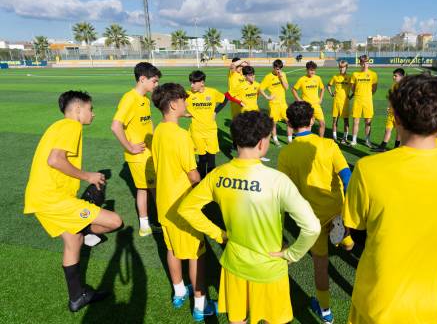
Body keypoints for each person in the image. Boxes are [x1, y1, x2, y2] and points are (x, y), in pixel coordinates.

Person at [343, 74, 437, 323]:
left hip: (376, 302)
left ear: (395, 116)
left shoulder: (368, 168)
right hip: (428, 306)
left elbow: (358, 234)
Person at [178, 110, 321, 324]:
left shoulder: (218, 174)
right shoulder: (277, 180)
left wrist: (219, 234)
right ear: (263, 143)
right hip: (270, 268)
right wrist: (292, 255)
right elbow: (312, 227)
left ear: (235, 140)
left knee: (238, 319)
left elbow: (186, 208)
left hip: (234, 265)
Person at [24, 91, 123, 312]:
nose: (93, 114)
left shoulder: (56, 126)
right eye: (91, 109)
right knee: (115, 221)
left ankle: (77, 297)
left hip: (42, 198)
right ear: (78, 110)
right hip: (52, 199)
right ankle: (88, 230)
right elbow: (55, 160)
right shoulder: (71, 126)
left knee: (73, 242)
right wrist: (89, 176)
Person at [278, 101, 354, 324]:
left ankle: (326, 312)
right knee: (347, 243)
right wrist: (351, 209)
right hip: (337, 210)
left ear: (289, 124)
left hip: (310, 218)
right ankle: (344, 239)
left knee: (320, 265)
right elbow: (347, 177)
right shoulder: (329, 145)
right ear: (312, 120)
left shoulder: (286, 153)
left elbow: (284, 192)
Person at [150, 83, 217, 321]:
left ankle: (179, 291)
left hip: (164, 203)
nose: (187, 103)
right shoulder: (181, 135)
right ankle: (200, 305)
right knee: (196, 254)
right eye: (183, 99)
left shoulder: (158, 130)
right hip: (183, 205)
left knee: (171, 248)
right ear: (173, 104)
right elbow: (193, 174)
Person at [111, 62, 161, 237]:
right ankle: (145, 223)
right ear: (142, 79)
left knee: (154, 186)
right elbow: (116, 126)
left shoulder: (145, 99)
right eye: (154, 81)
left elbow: (147, 122)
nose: (157, 85)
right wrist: (130, 147)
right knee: (144, 189)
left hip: (149, 152)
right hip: (138, 155)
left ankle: (160, 218)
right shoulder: (129, 99)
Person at [186, 70, 226, 178]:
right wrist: (184, 114)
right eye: (191, 82)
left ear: (202, 82)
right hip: (196, 131)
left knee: (211, 158)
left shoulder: (212, 92)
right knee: (202, 159)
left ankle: (210, 180)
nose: (191, 85)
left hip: (211, 131)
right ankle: (202, 180)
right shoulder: (187, 94)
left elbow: (225, 99)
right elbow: (175, 104)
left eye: (194, 82)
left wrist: (215, 111)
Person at [259, 59, 294, 146]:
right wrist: (267, 97)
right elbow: (260, 89)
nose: (278, 70)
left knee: (289, 121)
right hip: (273, 104)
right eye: (277, 68)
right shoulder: (268, 77)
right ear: (273, 67)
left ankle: (290, 140)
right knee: (273, 123)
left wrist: (281, 77)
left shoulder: (283, 75)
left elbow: (286, 88)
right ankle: (275, 139)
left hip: (283, 103)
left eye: (280, 69)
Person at [349, 55, 378, 147]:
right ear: (360, 63)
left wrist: (367, 95)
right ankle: (354, 140)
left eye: (367, 62)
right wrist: (358, 94)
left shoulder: (373, 74)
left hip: (368, 101)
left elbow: (374, 89)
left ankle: (367, 140)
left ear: (368, 63)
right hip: (357, 100)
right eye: (363, 62)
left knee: (368, 121)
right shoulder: (355, 74)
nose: (365, 64)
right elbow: (352, 88)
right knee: (356, 121)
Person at [373, 68, 404, 152]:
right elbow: (391, 98)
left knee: (398, 131)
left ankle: (396, 147)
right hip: (391, 112)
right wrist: (389, 106)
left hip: (399, 113)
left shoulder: (404, 87)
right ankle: (382, 147)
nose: (393, 77)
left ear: (401, 76)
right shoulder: (393, 85)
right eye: (393, 75)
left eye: (395, 76)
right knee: (388, 129)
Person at [292, 61, 326, 137]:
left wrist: (321, 99)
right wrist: (299, 100)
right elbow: (294, 89)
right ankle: (306, 140)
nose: (312, 72)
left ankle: (321, 140)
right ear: (307, 70)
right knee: (308, 125)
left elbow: (323, 88)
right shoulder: (302, 79)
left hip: (316, 105)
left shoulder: (318, 78)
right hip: (306, 107)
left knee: (322, 123)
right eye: (311, 70)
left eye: (313, 70)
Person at [327, 60, 352, 143]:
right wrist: (331, 94)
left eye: (343, 67)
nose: (341, 69)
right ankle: (334, 137)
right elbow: (329, 86)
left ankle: (345, 137)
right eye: (340, 67)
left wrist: (351, 96)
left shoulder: (349, 77)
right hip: (336, 102)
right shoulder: (335, 76)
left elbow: (355, 89)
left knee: (346, 120)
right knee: (335, 120)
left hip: (345, 102)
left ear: (346, 67)